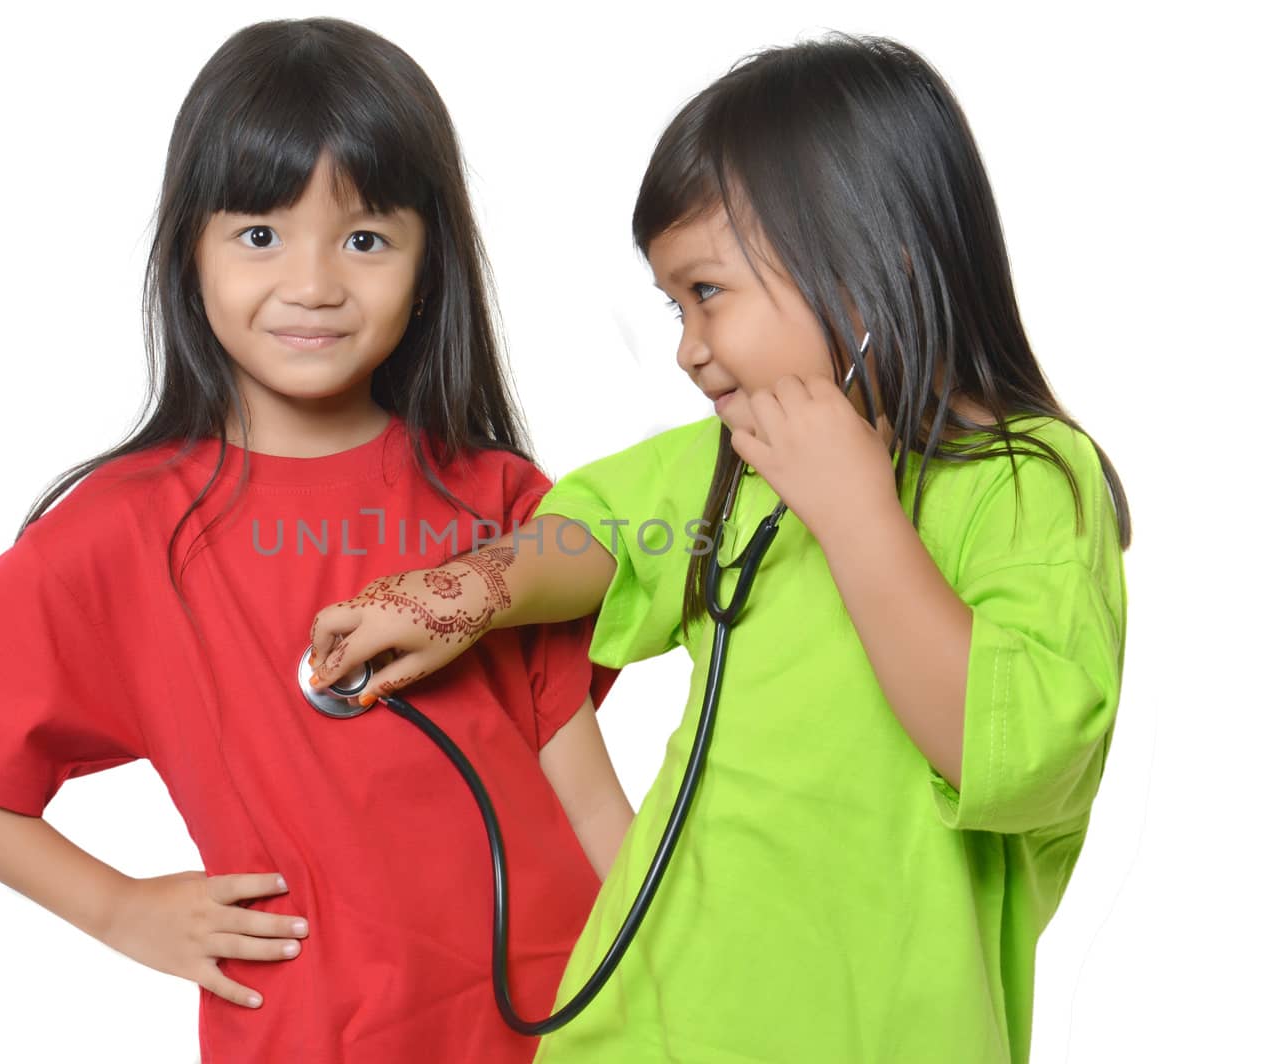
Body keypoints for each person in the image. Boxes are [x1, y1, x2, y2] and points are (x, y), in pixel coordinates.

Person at [307, 34, 1130, 1064]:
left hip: (879, 1030)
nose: (688, 346)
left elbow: (1013, 754)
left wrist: (857, 512)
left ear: (870, 268)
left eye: (707, 293)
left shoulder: (1026, 480)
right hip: (654, 1016)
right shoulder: (730, 462)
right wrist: (462, 594)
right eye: (672, 303)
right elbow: (599, 530)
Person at [0, 18, 631, 1063]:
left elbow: (579, 790)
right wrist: (119, 908)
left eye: (364, 238)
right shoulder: (130, 529)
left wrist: (669, 967)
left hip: (563, 1013)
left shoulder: (498, 499)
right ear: (189, 250)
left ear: (429, 260)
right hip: (321, 1029)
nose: (312, 283)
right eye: (260, 233)